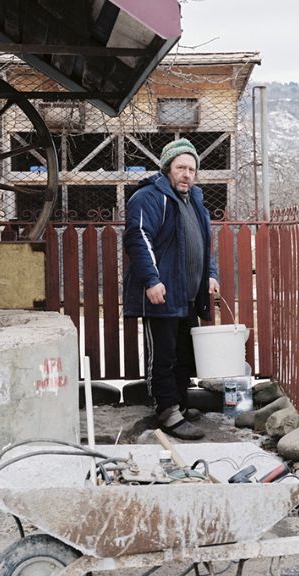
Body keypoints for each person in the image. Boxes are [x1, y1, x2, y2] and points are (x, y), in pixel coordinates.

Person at [123, 138, 219, 440]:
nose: (187, 174)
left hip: (188, 295)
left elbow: (203, 245)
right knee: (162, 356)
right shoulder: (148, 198)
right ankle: (166, 411)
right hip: (162, 293)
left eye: (191, 169)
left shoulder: (195, 202)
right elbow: (138, 238)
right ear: (167, 168)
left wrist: (210, 274)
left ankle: (179, 402)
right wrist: (152, 280)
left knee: (183, 354)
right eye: (181, 167)